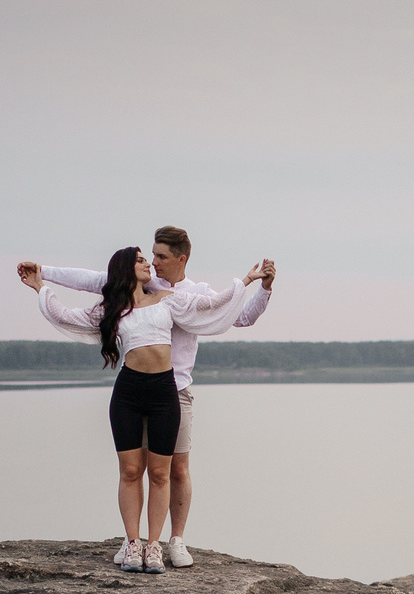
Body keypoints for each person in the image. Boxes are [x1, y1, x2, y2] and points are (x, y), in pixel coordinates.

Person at [17, 225, 275, 566]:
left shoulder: (185, 294)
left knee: (173, 470)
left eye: (160, 256)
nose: (153, 262)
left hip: (174, 390)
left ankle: (174, 541)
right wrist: (43, 275)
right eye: (149, 256)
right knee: (132, 469)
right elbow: (89, 281)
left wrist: (259, 286)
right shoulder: (138, 291)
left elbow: (236, 313)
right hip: (132, 388)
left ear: (181, 259)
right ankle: (132, 541)